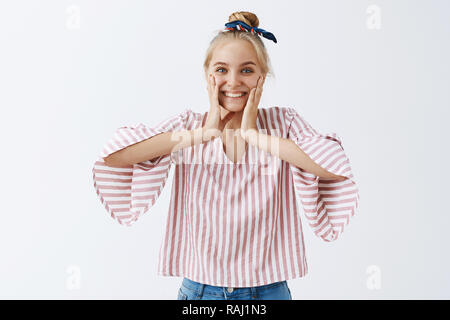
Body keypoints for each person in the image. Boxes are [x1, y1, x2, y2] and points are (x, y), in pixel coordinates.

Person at [92, 11, 360, 300]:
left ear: (263, 76)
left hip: (268, 291)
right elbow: (115, 157)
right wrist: (202, 134)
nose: (233, 81)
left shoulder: (284, 124)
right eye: (222, 70)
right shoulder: (188, 127)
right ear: (208, 75)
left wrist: (255, 135)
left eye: (246, 70)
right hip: (201, 292)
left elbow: (334, 168)